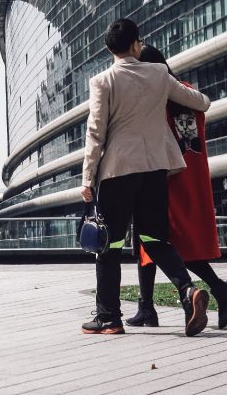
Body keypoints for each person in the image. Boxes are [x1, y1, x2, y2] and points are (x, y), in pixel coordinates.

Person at [80, 18, 213, 336]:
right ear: (136, 44)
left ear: (109, 48)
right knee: (155, 240)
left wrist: (87, 179)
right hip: (155, 171)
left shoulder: (103, 81)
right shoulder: (158, 74)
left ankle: (108, 317)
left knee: (109, 245)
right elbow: (201, 102)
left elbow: (95, 133)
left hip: (118, 172)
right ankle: (187, 292)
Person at [127, 44, 227, 331]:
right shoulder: (186, 92)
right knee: (155, 241)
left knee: (162, 242)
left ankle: (219, 290)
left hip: (167, 177)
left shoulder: (158, 95)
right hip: (193, 176)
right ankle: (146, 307)